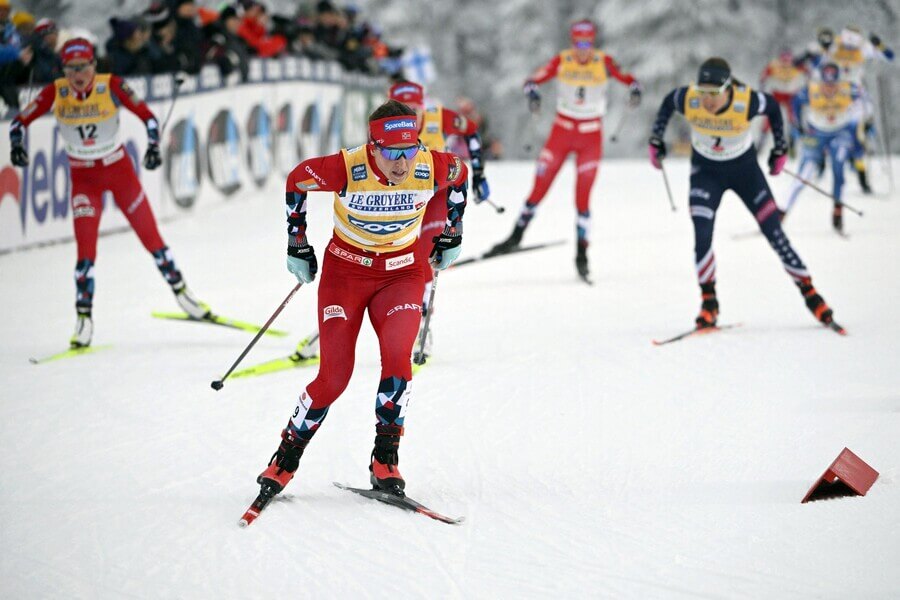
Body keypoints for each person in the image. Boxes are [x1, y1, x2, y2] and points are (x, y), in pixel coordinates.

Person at [252, 99, 468, 503]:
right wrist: (297, 243)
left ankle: (385, 460)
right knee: (334, 377)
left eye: (408, 151)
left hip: (403, 274)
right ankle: (285, 458)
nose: (401, 164)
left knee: (398, 362)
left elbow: (461, 172)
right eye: (391, 153)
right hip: (346, 276)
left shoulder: (429, 164)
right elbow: (297, 179)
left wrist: (453, 233)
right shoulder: (347, 167)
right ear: (373, 146)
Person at [8, 38, 210, 348]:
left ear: (93, 65)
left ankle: (183, 294)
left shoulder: (111, 84)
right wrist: (17, 146)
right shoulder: (55, 92)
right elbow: (18, 123)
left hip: (119, 174)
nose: (79, 74)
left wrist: (154, 147)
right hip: (83, 180)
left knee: (152, 239)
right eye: (72, 68)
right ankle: (84, 320)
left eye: (84, 67)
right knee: (85, 252)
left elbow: (148, 117)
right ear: (63, 69)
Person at [286, 80, 490, 366]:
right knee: (368, 255)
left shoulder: (437, 116)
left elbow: (470, 131)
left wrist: (479, 174)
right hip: (395, 197)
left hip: (433, 195)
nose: (415, 116)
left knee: (423, 257)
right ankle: (330, 332)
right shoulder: (385, 127)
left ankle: (421, 326)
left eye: (417, 109)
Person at [648, 57, 842, 332]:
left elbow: (774, 108)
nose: (707, 100)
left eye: (714, 94)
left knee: (774, 232)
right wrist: (656, 138)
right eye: (703, 93)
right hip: (705, 172)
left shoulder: (746, 101)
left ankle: (811, 295)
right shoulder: (689, 98)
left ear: (728, 88)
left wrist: (780, 149)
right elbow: (669, 101)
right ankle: (709, 303)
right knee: (702, 234)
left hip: (745, 172)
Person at [489, 18, 641, 281]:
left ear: (592, 42)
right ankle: (515, 236)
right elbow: (531, 80)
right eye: (578, 43)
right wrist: (533, 93)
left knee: (582, 197)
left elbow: (630, 80)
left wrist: (635, 89)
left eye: (587, 43)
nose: (583, 49)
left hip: (590, 136)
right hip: (561, 133)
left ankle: (582, 254)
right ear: (573, 42)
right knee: (539, 187)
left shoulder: (603, 61)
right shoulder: (562, 60)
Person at [785, 62, 861, 233]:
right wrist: (798, 127)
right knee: (804, 173)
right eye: (826, 85)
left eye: (833, 85)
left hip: (840, 133)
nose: (829, 89)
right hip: (816, 134)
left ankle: (837, 211)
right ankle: (781, 214)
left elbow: (862, 108)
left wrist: (858, 134)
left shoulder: (849, 89)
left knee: (838, 169)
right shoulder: (811, 90)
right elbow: (794, 103)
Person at [759, 49, 806, 156]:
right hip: (777, 94)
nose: (785, 64)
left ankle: (792, 146)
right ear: (780, 60)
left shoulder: (796, 64)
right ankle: (760, 145)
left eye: (788, 61)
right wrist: (762, 89)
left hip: (790, 95)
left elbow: (809, 73)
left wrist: (804, 89)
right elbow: (763, 76)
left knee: (793, 120)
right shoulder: (774, 65)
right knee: (769, 119)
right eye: (783, 61)